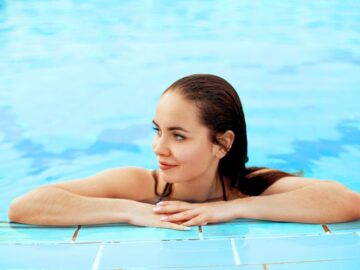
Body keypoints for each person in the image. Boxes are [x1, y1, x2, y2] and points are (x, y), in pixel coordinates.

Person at [8, 74, 360, 230]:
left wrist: (232, 209)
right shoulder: (140, 185)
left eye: (178, 136)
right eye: (158, 130)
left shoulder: (249, 186)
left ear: (221, 144)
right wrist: (132, 212)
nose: (159, 148)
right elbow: (25, 206)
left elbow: (346, 201)